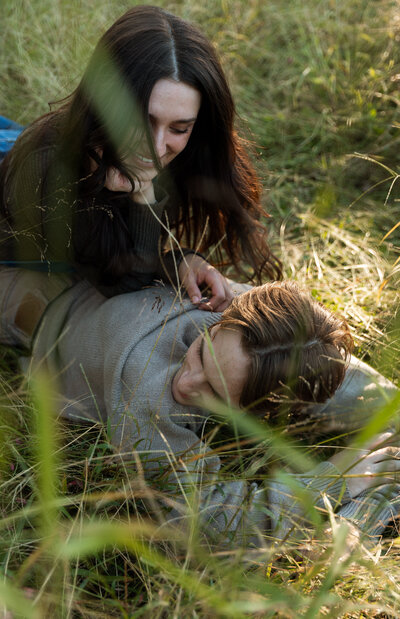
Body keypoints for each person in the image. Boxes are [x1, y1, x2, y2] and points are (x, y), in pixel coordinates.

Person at [28, 279, 400, 545]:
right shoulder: (147, 398)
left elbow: (388, 406)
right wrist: (339, 479)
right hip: (37, 308)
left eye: (216, 393)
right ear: (222, 318)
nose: (188, 384)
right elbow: (218, 524)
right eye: (202, 355)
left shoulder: (273, 333)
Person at [0, 4, 282, 349]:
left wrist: (182, 260)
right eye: (142, 121)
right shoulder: (47, 170)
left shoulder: (188, 149)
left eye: (179, 127)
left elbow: (125, 248)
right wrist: (143, 194)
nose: (156, 146)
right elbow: (121, 279)